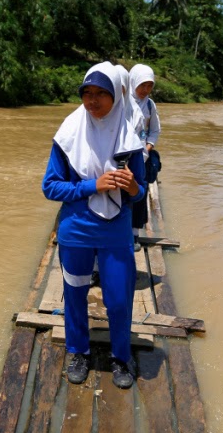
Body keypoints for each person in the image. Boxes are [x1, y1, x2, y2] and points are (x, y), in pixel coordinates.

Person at [42, 62, 147, 389]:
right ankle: (79, 352)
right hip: (76, 229)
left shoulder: (130, 138)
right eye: (87, 93)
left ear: (117, 95)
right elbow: (50, 186)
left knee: (118, 298)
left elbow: (141, 189)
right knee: (74, 295)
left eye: (102, 93)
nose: (93, 100)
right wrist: (92, 185)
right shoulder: (68, 134)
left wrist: (131, 188)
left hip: (116, 231)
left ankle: (120, 355)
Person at [129, 63, 162, 242]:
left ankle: (134, 234)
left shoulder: (149, 105)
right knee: (121, 192)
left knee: (139, 193)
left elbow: (155, 131)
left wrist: (148, 148)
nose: (146, 89)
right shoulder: (122, 102)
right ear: (133, 82)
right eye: (142, 85)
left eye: (150, 86)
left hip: (143, 157)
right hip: (124, 157)